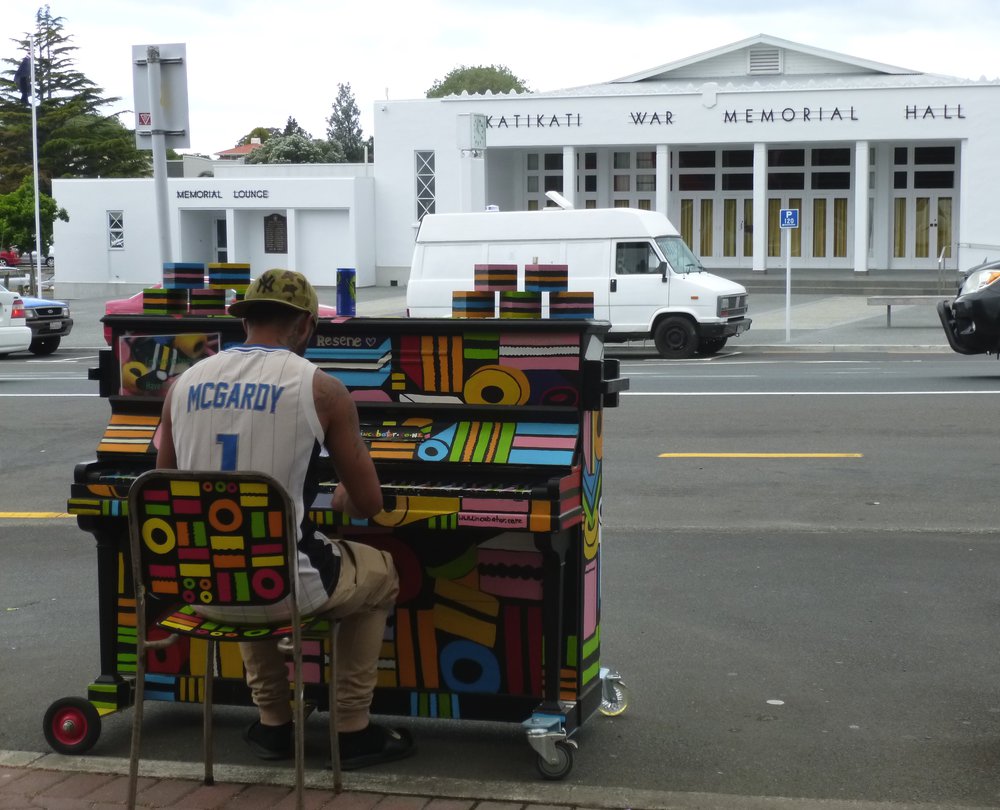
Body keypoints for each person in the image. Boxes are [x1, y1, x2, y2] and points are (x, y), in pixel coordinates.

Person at [156, 267, 414, 768]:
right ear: (304, 326)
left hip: (201, 584)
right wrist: (343, 493)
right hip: (286, 588)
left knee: (239, 553)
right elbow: (371, 503)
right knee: (382, 573)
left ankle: (273, 722)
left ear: (246, 320)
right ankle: (351, 726)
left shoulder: (182, 384)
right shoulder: (321, 388)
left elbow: (164, 486)